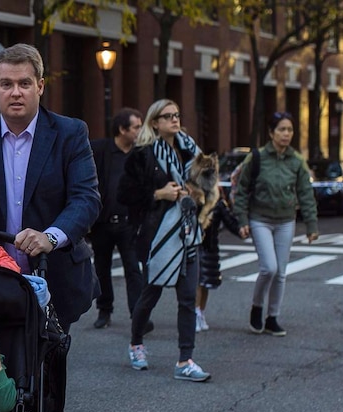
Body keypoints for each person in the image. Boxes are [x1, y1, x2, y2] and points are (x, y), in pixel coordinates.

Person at [0, 43, 101, 330]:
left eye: (24, 83)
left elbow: (86, 199)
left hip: (55, 278)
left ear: (40, 86)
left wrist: (50, 238)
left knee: (47, 370)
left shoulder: (71, 133)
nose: (15, 92)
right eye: (7, 84)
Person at [117, 99, 210, 382]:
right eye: (167, 116)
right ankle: (136, 343)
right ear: (154, 122)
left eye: (177, 115)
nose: (174, 120)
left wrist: (197, 194)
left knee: (186, 298)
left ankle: (185, 360)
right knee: (151, 294)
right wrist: (159, 194)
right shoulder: (142, 154)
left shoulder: (189, 151)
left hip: (186, 233)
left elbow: (207, 184)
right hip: (156, 235)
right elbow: (124, 194)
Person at [233, 111, 319, 336]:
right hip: (260, 219)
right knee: (268, 268)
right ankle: (256, 308)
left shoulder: (297, 160)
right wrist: (242, 219)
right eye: (281, 129)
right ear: (271, 133)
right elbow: (241, 190)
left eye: (289, 130)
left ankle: (272, 317)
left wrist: (311, 225)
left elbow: (306, 194)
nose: (286, 134)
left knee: (280, 272)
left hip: (285, 221)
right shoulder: (257, 157)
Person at [89, 108, 147, 330]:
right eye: (136, 127)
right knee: (102, 268)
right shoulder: (100, 150)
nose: (140, 131)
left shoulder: (140, 154)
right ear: (122, 129)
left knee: (133, 268)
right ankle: (104, 311)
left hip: (129, 223)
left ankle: (138, 315)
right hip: (102, 222)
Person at [195, 194, 241, 331]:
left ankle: (200, 312)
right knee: (197, 281)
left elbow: (229, 220)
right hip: (196, 244)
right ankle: (195, 313)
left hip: (210, 246)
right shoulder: (195, 198)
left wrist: (241, 229)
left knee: (206, 283)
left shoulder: (217, 202)